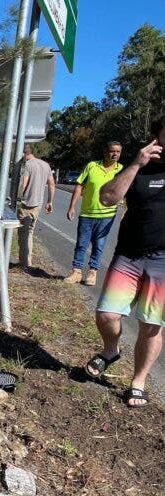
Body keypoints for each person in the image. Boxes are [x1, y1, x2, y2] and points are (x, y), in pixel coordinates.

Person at [85, 116, 165, 408]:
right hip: (129, 255)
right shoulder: (139, 170)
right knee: (106, 314)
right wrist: (135, 164)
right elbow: (107, 197)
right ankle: (111, 350)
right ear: (157, 136)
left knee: (151, 324)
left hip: (163, 262)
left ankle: (138, 382)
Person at [64, 142, 124, 286]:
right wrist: (72, 206)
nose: (115, 154)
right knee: (82, 244)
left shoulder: (122, 170)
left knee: (99, 245)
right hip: (87, 214)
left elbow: (127, 191)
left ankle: (92, 273)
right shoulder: (92, 166)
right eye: (112, 151)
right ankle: (76, 272)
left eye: (118, 152)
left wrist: (126, 210)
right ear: (105, 152)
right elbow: (79, 186)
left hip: (107, 216)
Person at [17, 144, 56, 269]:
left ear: (24, 154)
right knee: (30, 232)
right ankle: (27, 261)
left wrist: (16, 199)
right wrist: (50, 201)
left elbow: (24, 183)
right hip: (38, 204)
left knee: (23, 234)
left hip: (26, 203)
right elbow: (51, 184)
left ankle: (24, 263)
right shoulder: (45, 165)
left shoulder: (28, 165)